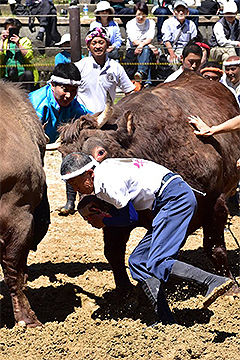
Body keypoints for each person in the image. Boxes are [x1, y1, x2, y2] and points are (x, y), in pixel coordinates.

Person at [60, 152, 235, 325]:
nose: (76, 190)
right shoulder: (105, 171)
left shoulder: (107, 181)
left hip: (173, 199)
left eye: (75, 183)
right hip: (170, 198)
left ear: (89, 174)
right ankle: (166, 320)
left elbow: (130, 217)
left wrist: (103, 220)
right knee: (138, 261)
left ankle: (215, 281)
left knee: (159, 262)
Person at [29, 62, 90, 215]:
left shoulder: (74, 105)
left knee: (72, 154)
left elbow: (89, 119)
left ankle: (70, 202)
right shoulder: (36, 103)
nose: (68, 95)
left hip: (57, 141)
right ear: (53, 85)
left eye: (73, 90)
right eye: (64, 89)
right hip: (30, 144)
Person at [75, 27, 135, 114]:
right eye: (94, 43)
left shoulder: (116, 67)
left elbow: (130, 92)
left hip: (106, 119)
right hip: (83, 118)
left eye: (101, 43)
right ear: (88, 47)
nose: (98, 46)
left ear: (107, 45)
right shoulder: (80, 66)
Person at [0, 18, 39, 92]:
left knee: (28, 74)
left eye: (14, 29)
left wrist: (18, 44)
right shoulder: (3, 43)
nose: (11, 32)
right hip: (6, 74)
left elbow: (29, 56)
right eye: (9, 29)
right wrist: (2, 41)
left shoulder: (24, 40)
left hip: (22, 74)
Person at [125, 1, 158, 87]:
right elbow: (134, 41)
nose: (140, 17)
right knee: (147, 49)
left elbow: (150, 38)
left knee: (146, 50)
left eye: (143, 14)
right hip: (133, 49)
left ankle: (141, 73)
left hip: (144, 49)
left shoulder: (151, 23)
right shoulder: (130, 24)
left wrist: (143, 45)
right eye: (138, 14)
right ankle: (147, 82)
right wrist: (147, 45)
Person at [162, 0, 197, 67]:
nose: (181, 13)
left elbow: (194, 40)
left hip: (187, 49)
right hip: (174, 49)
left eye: (183, 11)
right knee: (174, 62)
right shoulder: (167, 23)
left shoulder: (191, 24)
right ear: (174, 13)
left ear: (187, 12)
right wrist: (172, 54)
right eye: (178, 11)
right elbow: (166, 41)